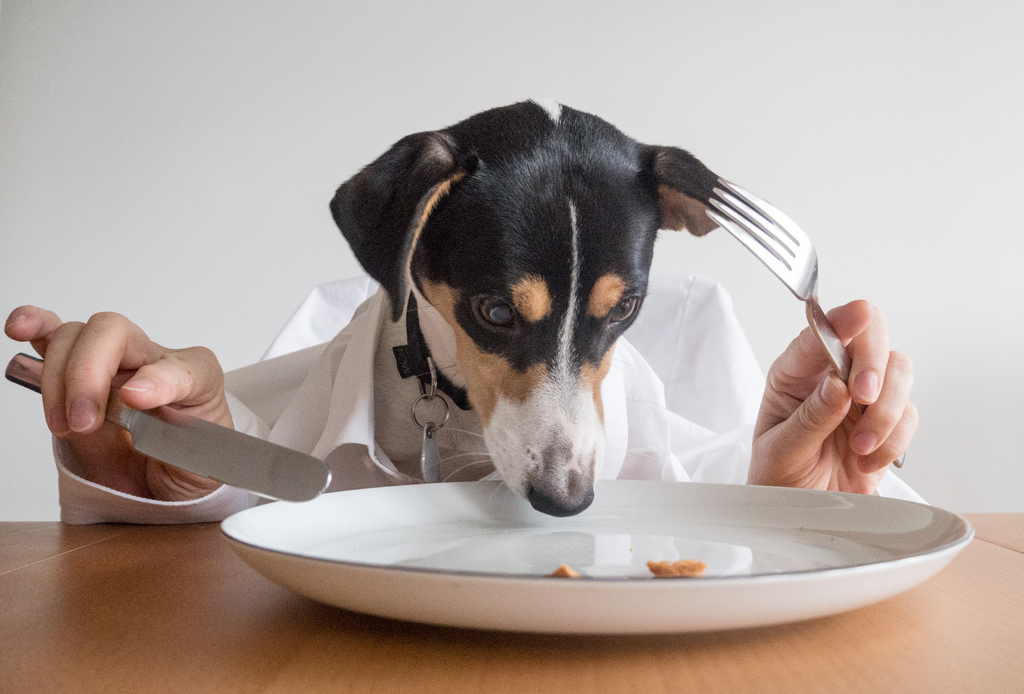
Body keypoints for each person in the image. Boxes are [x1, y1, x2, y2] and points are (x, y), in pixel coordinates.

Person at [5, 267, 919, 525]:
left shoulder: (683, 374)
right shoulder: (291, 401)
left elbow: (705, 487)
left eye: (609, 319)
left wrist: (796, 516)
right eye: (495, 314)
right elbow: (230, 509)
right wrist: (157, 480)